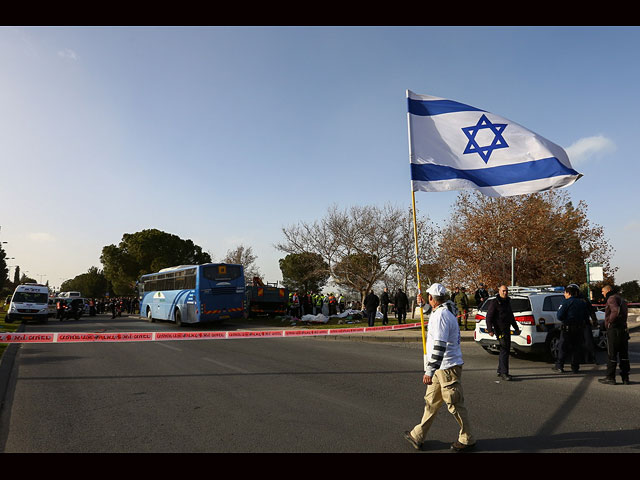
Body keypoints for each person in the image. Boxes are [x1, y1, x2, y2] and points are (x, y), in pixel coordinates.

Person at [404, 283, 476, 452]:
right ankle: (418, 435)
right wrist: (424, 306)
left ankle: (467, 439)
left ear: (432, 298)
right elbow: (436, 311)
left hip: (447, 367)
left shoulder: (441, 316)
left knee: (455, 404)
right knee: (431, 401)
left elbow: (440, 346)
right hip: (441, 367)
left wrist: (429, 370)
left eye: (429, 297)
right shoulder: (446, 309)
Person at [485, 285, 520, 381]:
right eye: (503, 291)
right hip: (499, 329)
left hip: (506, 329)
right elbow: (489, 317)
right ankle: (504, 372)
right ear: (499, 291)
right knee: (504, 349)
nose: (505, 293)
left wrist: (516, 327)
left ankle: (500, 370)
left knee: (505, 350)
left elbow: (511, 316)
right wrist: (490, 330)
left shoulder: (507, 301)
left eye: (506, 291)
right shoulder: (495, 302)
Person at [599, 285, 630, 385]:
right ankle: (625, 377)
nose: (602, 293)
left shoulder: (611, 299)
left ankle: (610, 377)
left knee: (611, 354)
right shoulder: (621, 299)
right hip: (623, 330)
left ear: (608, 290)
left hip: (614, 330)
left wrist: (609, 323)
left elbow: (615, 311)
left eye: (603, 291)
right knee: (624, 355)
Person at [553, 284, 588, 374]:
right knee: (576, 349)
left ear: (568, 293)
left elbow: (559, 316)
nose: (564, 294)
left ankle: (560, 366)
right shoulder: (582, 302)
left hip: (567, 329)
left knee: (563, 347)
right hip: (579, 328)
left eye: (565, 292)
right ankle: (575, 368)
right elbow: (586, 316)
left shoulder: (566, 302)